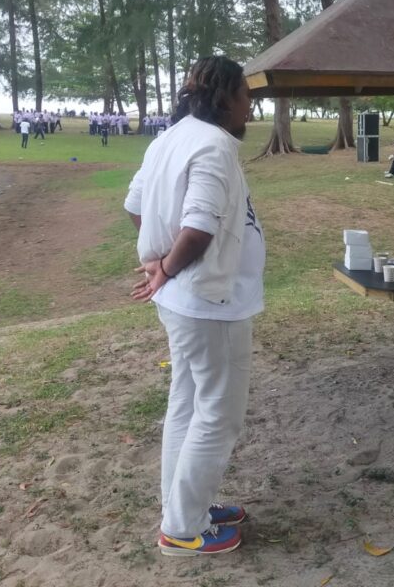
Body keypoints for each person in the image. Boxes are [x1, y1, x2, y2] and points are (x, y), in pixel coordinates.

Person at [125, 56, 262, 558]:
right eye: (246, 97)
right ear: (225, 97)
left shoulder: (170, 137)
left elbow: (135, 206)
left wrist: (162, 261)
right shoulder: (213, 144)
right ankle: (183, 529)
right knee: (218, 414)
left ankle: (185, 508)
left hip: (185, 302)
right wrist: (167, 265)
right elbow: (200, 226)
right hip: (210, 302)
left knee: (186, 403)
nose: (250, 109)